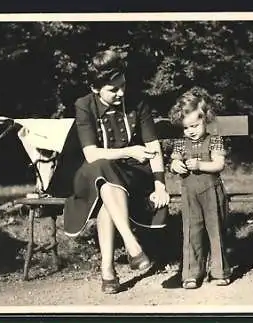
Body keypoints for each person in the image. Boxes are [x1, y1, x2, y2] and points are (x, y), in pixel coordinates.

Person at [63, 49, 170, 294]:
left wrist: (160, 183)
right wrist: (129, 151)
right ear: (95, 88)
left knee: (107, 196)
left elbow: (153, 146)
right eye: (113, 89)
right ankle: (132, 244)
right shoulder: (84, 105)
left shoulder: (138, 101)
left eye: (123, 85)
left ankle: (108, 270)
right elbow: (91, 154)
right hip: (89, 176)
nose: (121, 93)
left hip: (129, 176)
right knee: (102, 168)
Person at [168, 87, 232, 289]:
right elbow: (174, 163)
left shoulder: (214, 140)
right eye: (186, 128)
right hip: (189, 193)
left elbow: (219, 165)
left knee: (216, 231)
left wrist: (201, 165)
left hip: (211, 191)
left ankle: (219, 271)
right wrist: (175, 165)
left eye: (195, 125)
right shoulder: (180, 144)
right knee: (191, 231)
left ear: (206, 119)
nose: (191, 131)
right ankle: (191, 273)